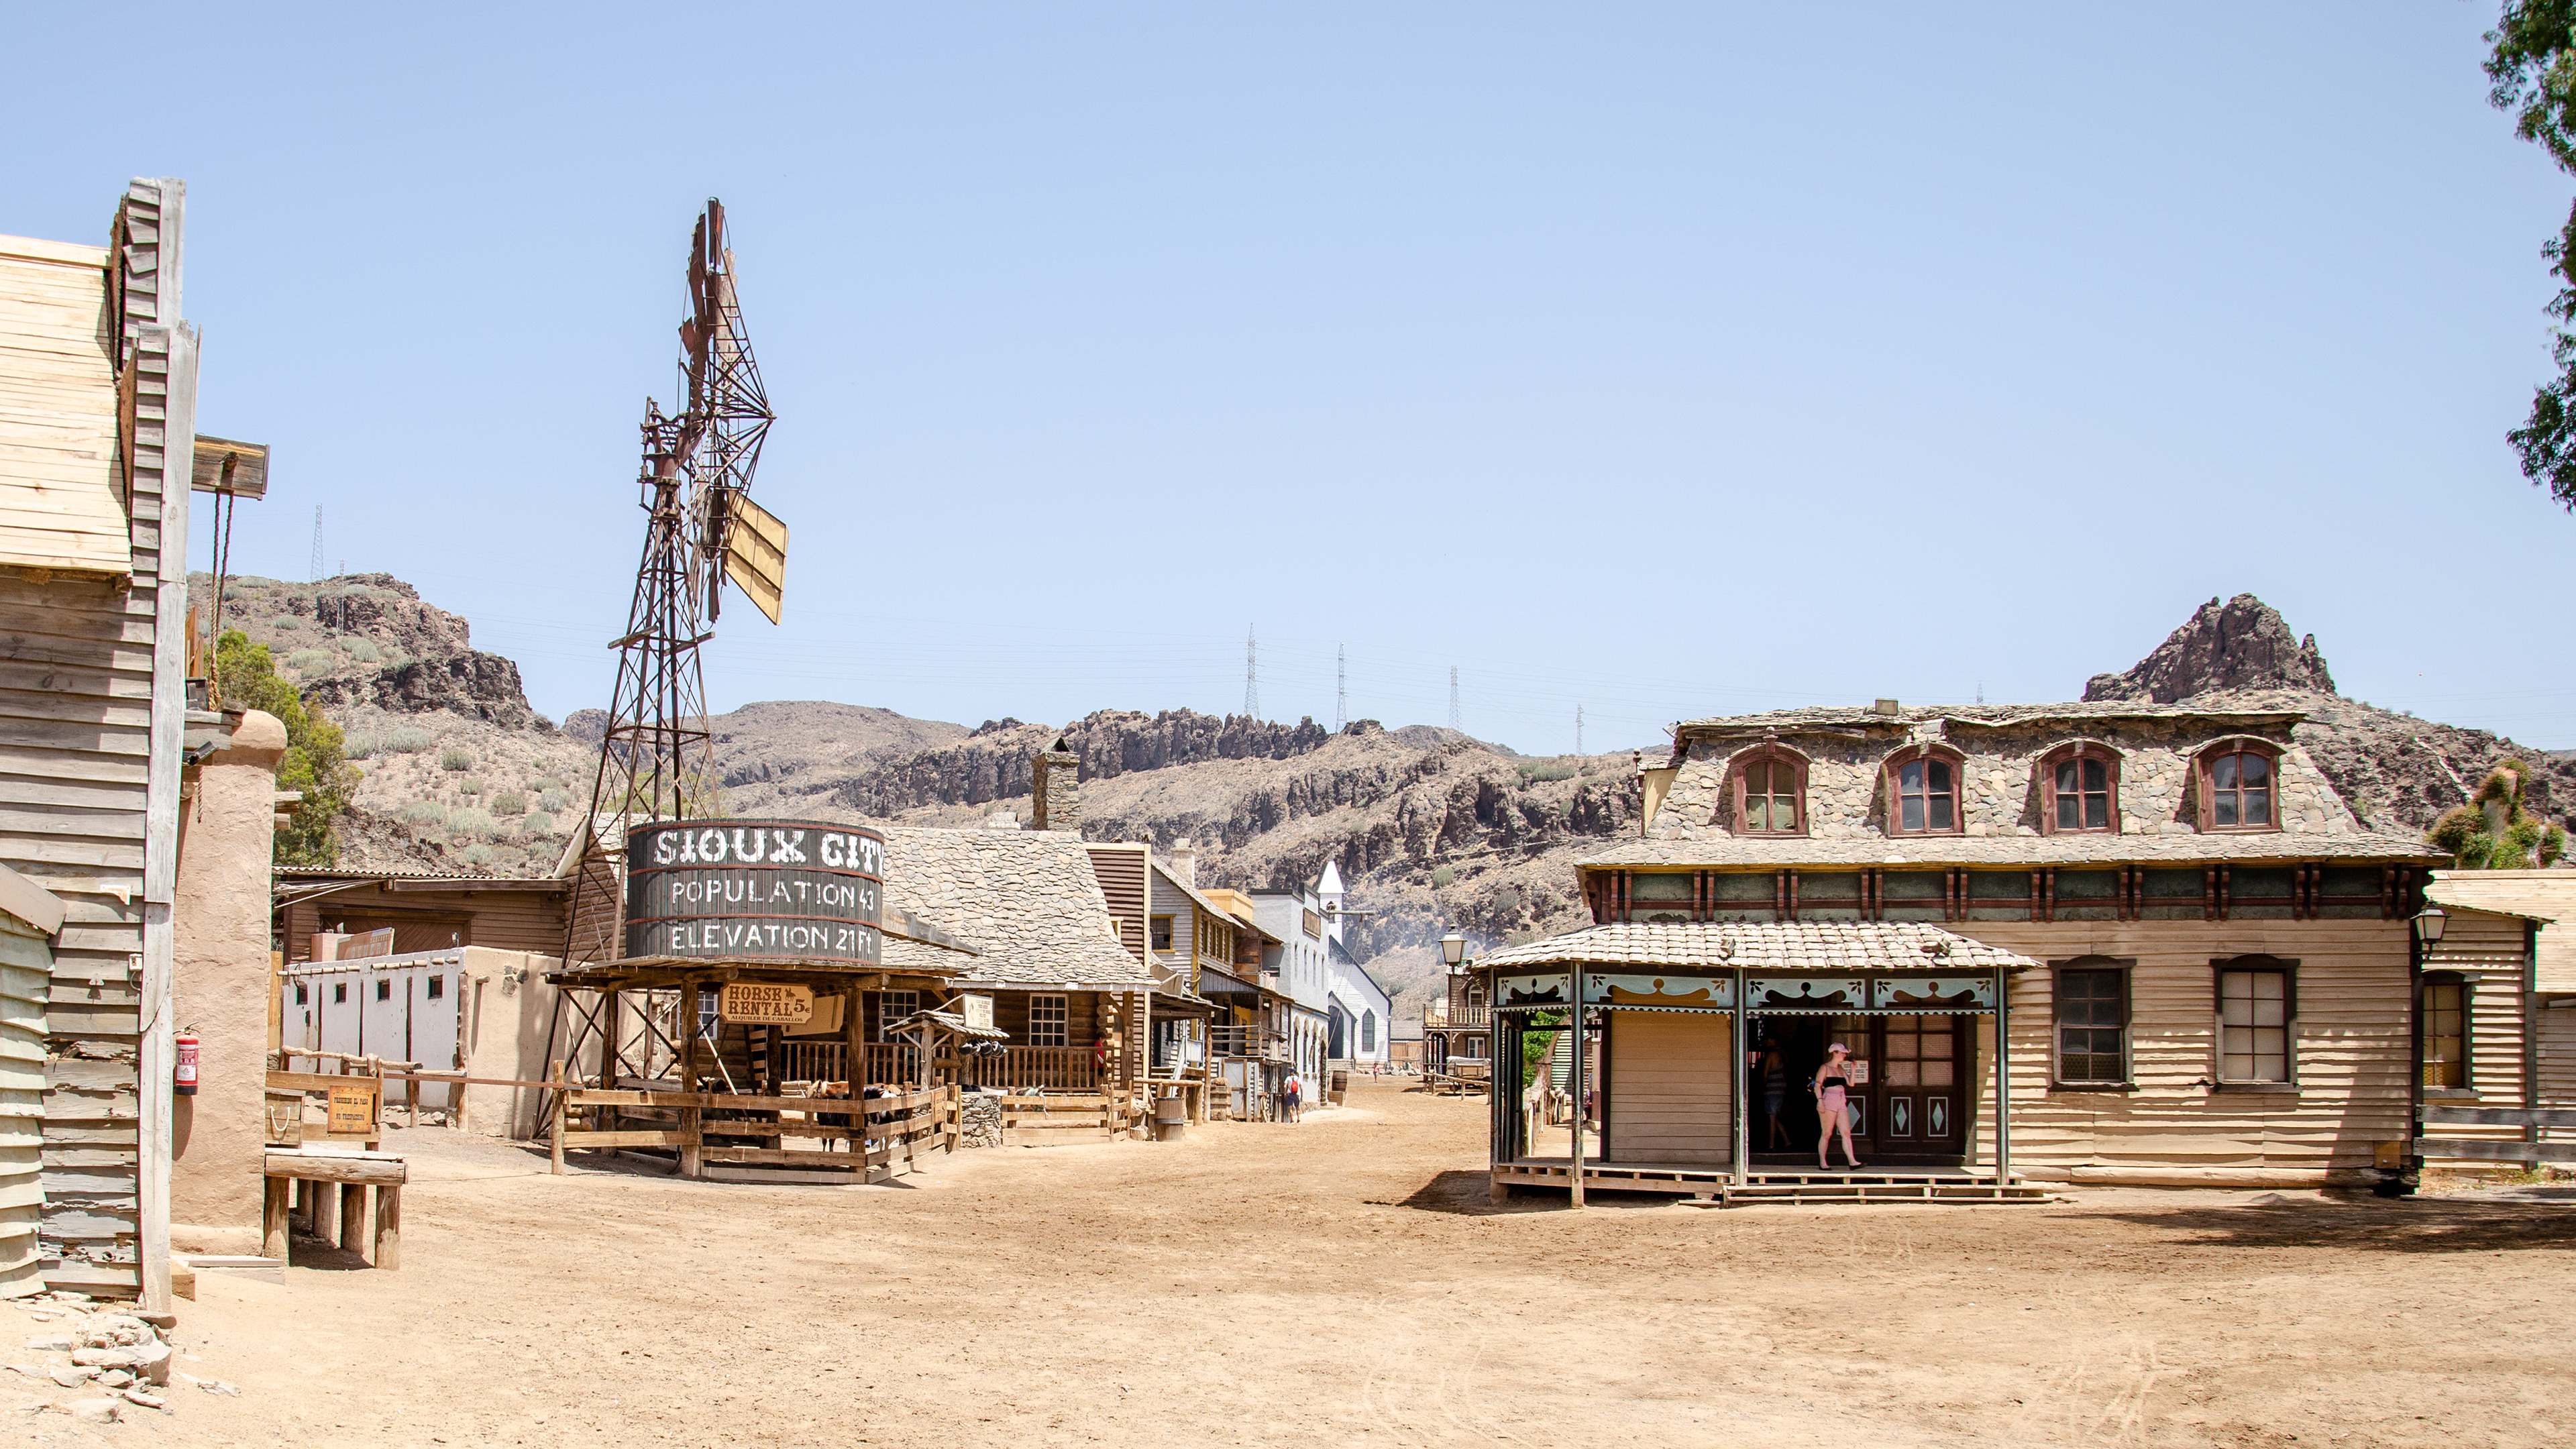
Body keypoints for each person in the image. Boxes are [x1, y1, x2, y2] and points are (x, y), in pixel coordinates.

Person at [1813, 1042, 1862, 1169]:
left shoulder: (1840, 1069)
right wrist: (1820, 1100)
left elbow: (1851, 1083)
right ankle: (1823, 1162)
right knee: (1827, 1133)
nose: (1844, 1055)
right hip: (1829, 1098)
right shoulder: (1825, 1068)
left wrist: (1853, 1069)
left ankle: (1852, 1161)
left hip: (1841, 1099)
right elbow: (1817, 1085)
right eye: (1842, 1053)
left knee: (1846, 1132)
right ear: (1835, 1053)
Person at [1760, 1038, 1790, 1149]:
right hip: (1781, 1089)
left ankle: (1771, 1145)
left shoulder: (1771, 1054)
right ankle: (1787, 1141)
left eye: (1767, 1040)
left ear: (1773, 1040)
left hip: (1772, 1089)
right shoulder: (1783, 1054)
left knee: (1772, 1117)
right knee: (1775, 1116)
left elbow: (1765, 1074)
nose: (1765, 1042)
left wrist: (1762, 1086)